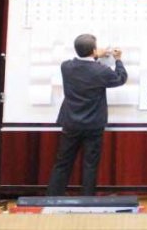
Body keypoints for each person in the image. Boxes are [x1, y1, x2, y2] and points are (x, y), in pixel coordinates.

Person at [47, 34, 128, 196]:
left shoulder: (66, 66)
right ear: (93, 50)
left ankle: (52, 197)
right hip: (93, 124)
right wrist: (118, 60)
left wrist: (95, 55)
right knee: (90, 165)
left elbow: (85, 64)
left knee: (63, 163)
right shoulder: (101, 70)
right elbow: (121, 78)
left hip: (71, 122)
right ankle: (87, 200)